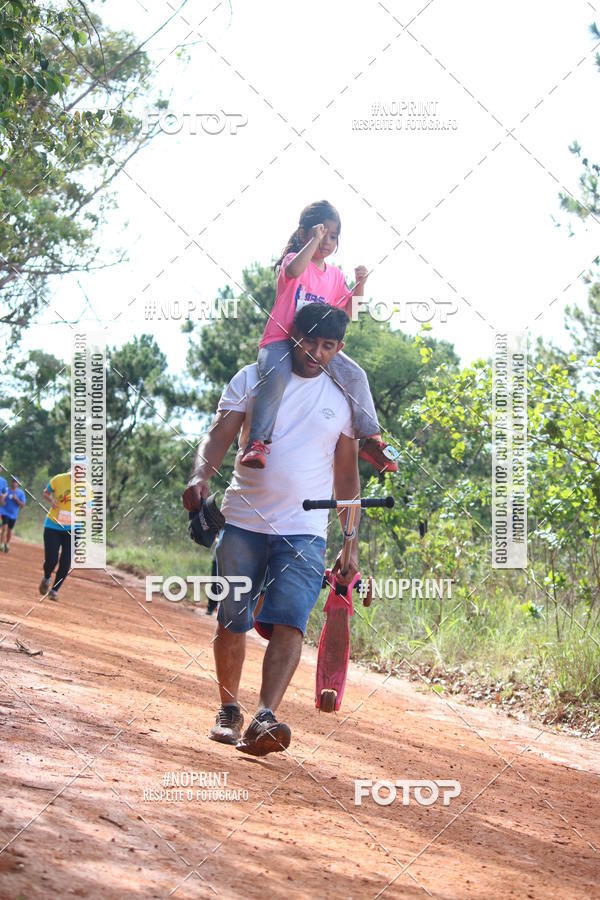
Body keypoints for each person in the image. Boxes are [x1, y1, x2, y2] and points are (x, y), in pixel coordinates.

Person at [182, 303, 363, 756]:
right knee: (232, 619)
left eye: (326, 346)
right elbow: (218, 437)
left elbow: (346, 477)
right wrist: (199, 475)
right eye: (307, 341)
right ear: (291, 336)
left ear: (338, 348)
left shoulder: (342, 398)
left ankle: (263, 716)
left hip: (305, 530)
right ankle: (228, 709)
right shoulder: (254, 377)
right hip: (242, 519)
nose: (314, 352)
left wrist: (350, 541)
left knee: (291, 623)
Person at [239, 200, 398, 475]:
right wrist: (313, 240)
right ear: (304, 234)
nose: (327, 241)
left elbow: (350, 312)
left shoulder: (335, 276)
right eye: (322, 233)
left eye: (333, 236)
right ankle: (257, 442)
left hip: (316, 347)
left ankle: (372, 440)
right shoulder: (294, 261)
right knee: (275, 376)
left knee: (356, 375)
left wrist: (361, 285)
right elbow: (293, 272)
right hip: (282, 340)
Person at [40, 471, 73, 602]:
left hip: (74, 529)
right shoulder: (58, 479)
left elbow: (91, 507)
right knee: (51, 560)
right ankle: (47, 577)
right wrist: (51, 500)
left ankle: (54, 590)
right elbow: (45, 493)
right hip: (53, 525)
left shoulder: (86, 487)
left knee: (66, 562)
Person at [0, 477, 26, 552]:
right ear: (11, 483)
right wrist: (2, 501)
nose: (14, 484)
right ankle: (1, 544)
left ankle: (7, 543)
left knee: (9, 530)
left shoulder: (20, 493)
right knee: (4, 527)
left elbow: (22, 505)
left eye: (16, 482)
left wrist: (16, 499)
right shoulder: (6, 490)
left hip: (13, 514)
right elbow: (1, 499)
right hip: (4, 511)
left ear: (18, 484)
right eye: (13, 482)